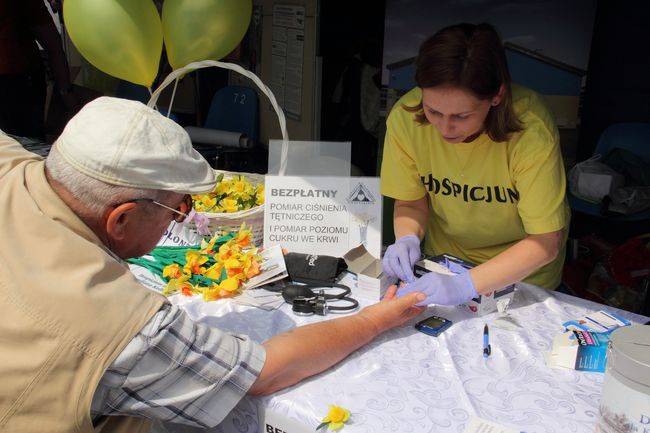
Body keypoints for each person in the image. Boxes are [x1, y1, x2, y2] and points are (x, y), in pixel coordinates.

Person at [0, 96, 425, 432]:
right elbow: (263, 372)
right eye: (178, 208)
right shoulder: (117, 325)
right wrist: (375, 320)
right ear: (122, 218)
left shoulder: (11, 168)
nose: (182, 218)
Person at [380, 23, 570, 306]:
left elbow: (544, 243)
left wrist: (465, 285)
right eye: (433, 111)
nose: (445, 128)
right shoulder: (405, 119)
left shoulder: (530, 130)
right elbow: (410, 202)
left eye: (462, 116)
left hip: (521, 275)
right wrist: (407, 238)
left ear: (497, 96)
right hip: (444, 264)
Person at [0, 0, 78, 140]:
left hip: (17, 82)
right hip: (18, 82)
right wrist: (65, 91)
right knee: (28, 148)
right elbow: (53, 46)